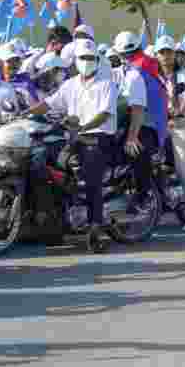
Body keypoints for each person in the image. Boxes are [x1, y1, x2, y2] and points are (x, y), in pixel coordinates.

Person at [29, 38, 118, 251]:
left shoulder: (107, 84)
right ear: (75, 61)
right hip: (74, 137)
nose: (86, 61)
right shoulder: (70, 85)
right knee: (46, 166)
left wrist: (84, 127)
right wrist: (23, 113)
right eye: (82, 58)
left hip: (98, 138)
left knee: (90, 179)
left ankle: (96, 227)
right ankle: (58, 221)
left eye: (90, 58)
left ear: (97, 60)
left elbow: (104, 115)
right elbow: (48, 104)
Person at [114, 31, 170, 215]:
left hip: (148, 122)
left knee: (136, 151)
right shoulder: (143, 65)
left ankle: (143, 195)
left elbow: (137, 107)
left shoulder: (138, 70)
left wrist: (132, 136)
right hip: (144, 118)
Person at [152, 35, 185, 230]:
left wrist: (178, 111)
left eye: (169, 52)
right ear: (156, 54)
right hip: (157, 126)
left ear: (175, 53)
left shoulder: (183, 73)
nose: (166, 56)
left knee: (182, 169)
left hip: (180, 124)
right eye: (162, 52)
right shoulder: (153, 74)